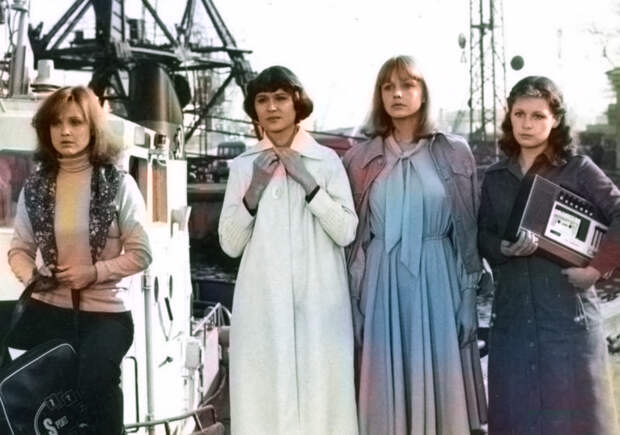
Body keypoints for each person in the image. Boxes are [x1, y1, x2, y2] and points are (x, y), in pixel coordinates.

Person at [344, 55, 487, 435]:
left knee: (440, 380)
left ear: (423, 93)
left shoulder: (454, 152)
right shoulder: (359, 158)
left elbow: (467, 231)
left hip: (438, 276)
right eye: (388, 87)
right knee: (382, 386)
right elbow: (352, 240)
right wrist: (352, 302)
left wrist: (468, 297)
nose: (397, 94)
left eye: (407, 85)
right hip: (381, 282)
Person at [218, 65, 359, 435]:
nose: (271, 107)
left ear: (297, 104)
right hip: (263, 305)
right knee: (265, 402)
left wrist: (308, 183)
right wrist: (255, 189)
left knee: (322, 401)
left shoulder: (325, 161)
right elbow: (230, 244)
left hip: (319, 304)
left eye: (281, 98)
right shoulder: (244, 166)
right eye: (262, 100)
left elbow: (346, 231)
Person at [478, 75, 620, 434]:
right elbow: (481, 235)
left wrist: (597, 269)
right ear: (509, 116)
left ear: (555, 119)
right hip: (513, 320)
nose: (527, 124)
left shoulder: (578, 169)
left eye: (538, 115)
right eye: (519, 114)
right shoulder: (495, 177)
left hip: (568, 320)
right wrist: (500, 248)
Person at [7, 85, 152, 434]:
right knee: (37, 393)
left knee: (96, 379)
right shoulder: (36, 187)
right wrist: (34, 277)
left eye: (75, 122)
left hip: (106, 316)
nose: (65, 131)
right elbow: (19, 250)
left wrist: (93, 272)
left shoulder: (119, 184)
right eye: (56, 123)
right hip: (48, 308)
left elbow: (141, 253)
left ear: (93, 128)